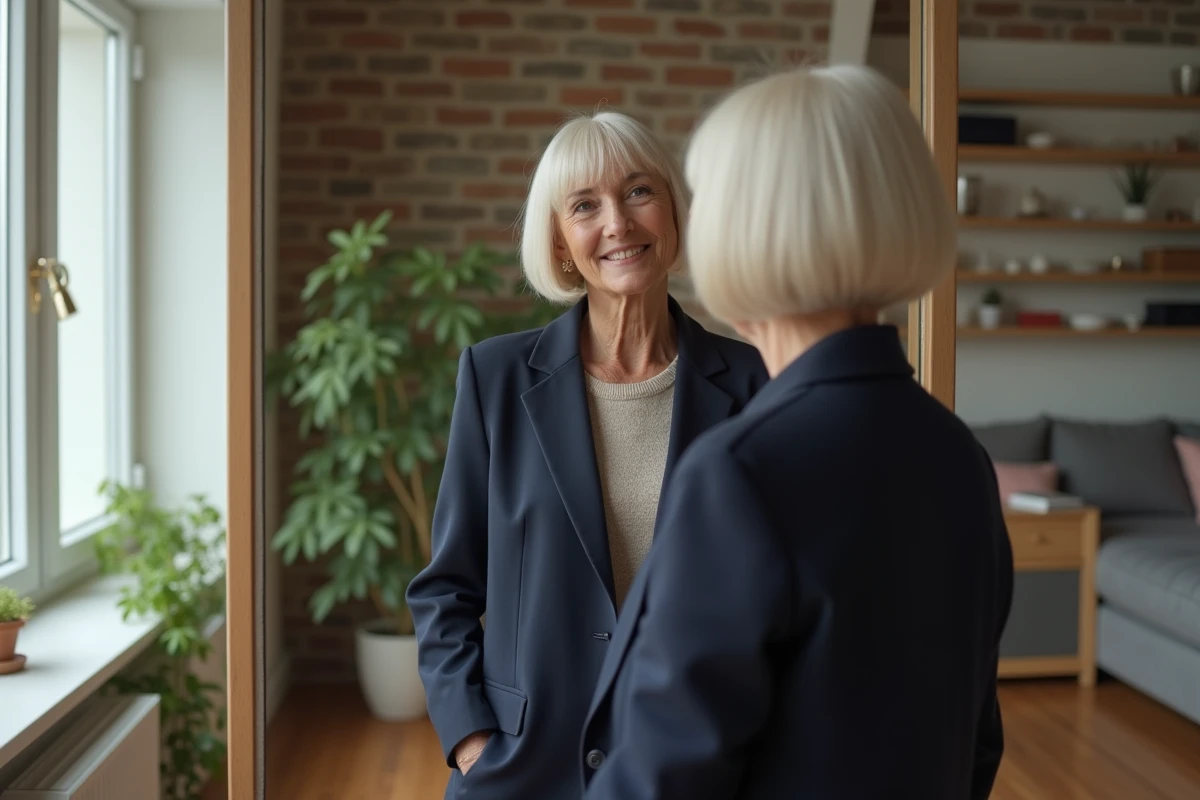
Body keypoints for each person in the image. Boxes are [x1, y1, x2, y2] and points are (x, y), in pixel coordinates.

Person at [579, 65, 1015, 800]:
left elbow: (664, 779)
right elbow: (975, 742)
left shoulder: (741, 473)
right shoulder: (958, 453)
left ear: (739, 229)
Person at [405, 110, 768, 800]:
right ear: (561, 242)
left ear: (673, 212)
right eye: (584, 206)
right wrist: (471, 740)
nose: (618, 223)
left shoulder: (753, 381)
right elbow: (446, 589)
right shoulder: (494, 379)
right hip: (523, 769)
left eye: (639, 192)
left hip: (694, 765)